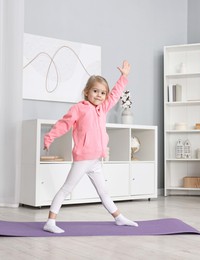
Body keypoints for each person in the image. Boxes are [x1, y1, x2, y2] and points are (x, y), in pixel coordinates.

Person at [43, 60, 138, 233]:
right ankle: (50, 222)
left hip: (95, 160)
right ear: (86, 92)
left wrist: (123, 77)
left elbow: (116, 94)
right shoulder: (79, 108)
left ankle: (119, 218)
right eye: (95, 91)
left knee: (104, 192)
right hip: (83, 159)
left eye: (103, 93)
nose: (99, 95)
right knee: (66, 189)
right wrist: (49, 137)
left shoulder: (103, 108)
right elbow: (64, 124)